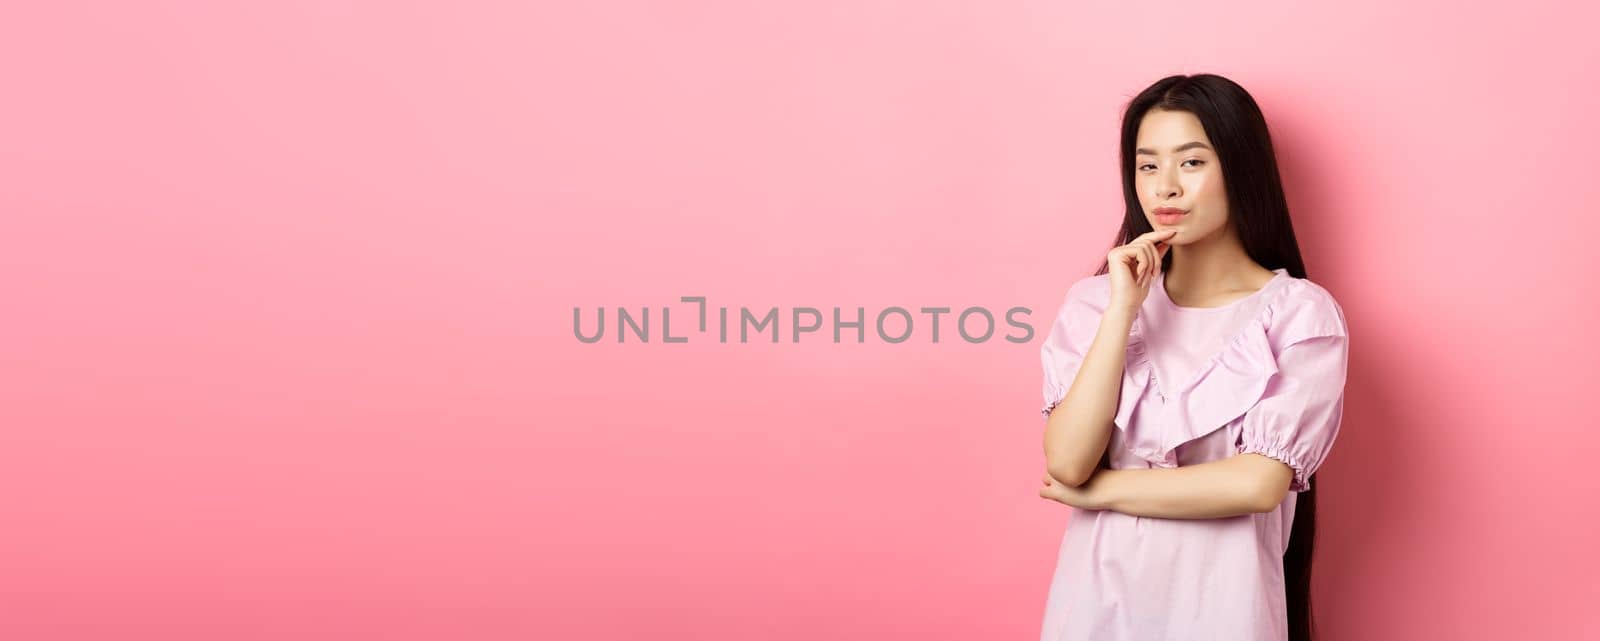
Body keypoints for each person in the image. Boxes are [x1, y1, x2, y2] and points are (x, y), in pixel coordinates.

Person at [1035, 74, 1350, 641]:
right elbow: (1067, 461)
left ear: (1241, 169)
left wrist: (1103, 492)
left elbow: (1255, 485)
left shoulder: (1300, 315)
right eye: (1147, 165)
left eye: (1191, 162)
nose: (1165, 189)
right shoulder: (1094, 303)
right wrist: (1121, 310)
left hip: (1227, 615)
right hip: (1093, 612)